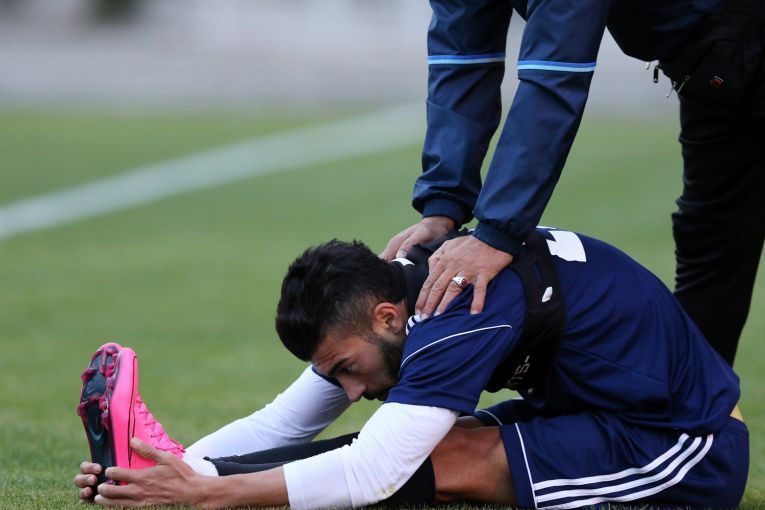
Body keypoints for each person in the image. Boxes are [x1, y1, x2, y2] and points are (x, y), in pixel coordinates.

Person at [74, 227, 748, 508]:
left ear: (386, 318)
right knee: (429, 445)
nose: (350, 389)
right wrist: (170, 470)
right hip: (591, 411)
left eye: (347, 369)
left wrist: (205, 493)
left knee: (448, 458)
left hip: (683, 443)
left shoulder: (457, 308)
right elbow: (287, 421)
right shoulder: (396, 298)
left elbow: (374, 471)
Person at [381, 0, 765, 366]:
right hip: (714, 77)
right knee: (712, 246)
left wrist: (497, 233)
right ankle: (693, 407)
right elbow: (461, 60)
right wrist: (443, 205)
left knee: (713, 248)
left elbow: (553, 74)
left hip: (736, 43)